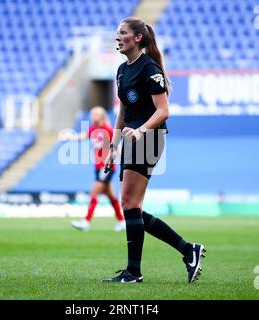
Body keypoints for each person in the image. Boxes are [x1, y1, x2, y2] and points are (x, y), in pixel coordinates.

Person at [102, 17, 206, 284]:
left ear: (137, 38)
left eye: (122, 33)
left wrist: (140, 131)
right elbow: (123, 112)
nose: (118, 37)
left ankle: (134, 273)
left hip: (148, 138)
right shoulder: (122, 70)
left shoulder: (149, 68)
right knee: (132, 207)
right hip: (129, 139)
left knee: (129, 204)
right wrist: (112, 148)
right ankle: (187, 250)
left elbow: (164, 110)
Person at [61, 106, 126, 232]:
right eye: (92, 114)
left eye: (95, 114)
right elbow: (84, 136)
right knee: (111, 196)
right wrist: (69, 137)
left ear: (101, 116)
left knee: (94, 192)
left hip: (107, 167)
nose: (93, 116)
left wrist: (124, 159)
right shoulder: (93, 129)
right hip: (98, 167)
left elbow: (117, 145)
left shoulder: (108, 129)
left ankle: (86, 222)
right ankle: (122, 221)